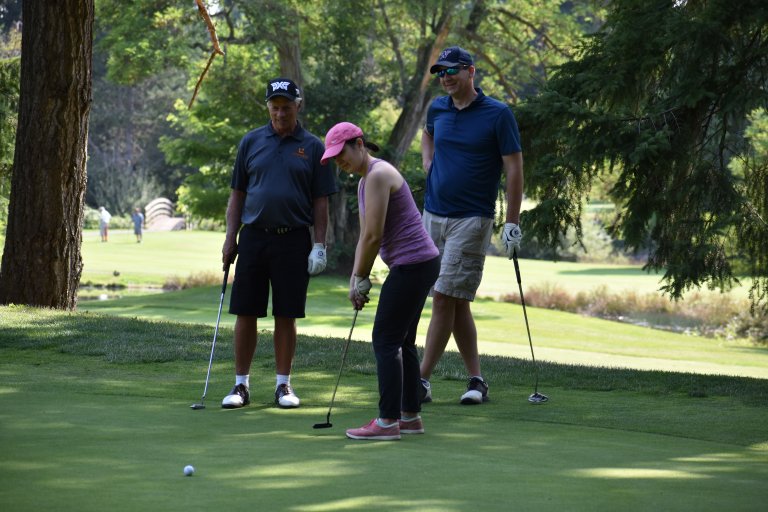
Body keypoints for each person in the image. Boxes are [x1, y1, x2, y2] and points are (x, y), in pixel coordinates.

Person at [220, 77, 338, 410]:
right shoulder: (251, 141)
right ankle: (240, 385)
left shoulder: (313, 147)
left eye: (286, 107)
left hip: (294, 239)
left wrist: (320, 245)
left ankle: (283, 385)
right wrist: (231, 237)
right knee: (246, 312)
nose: (280, 113)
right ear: (268, 107)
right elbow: (237, 194)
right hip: (254, 236)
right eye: (275, 107)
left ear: (298, 106)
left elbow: (320, 202)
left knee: (286, 314)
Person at [320, 122, 440, 440]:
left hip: (413, 265)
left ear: (359, 144)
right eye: (333, 157)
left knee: (385, 340)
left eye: (340, 153)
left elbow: (375, 236)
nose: (338, 161)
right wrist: (354, 279)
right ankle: (410, 416)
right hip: (419, 264)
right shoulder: (365, 182)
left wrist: (362, 276)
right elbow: (366, 236)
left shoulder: (378, 174)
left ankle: (388, 422)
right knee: (402, 341)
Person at [419, 46, 524, 405]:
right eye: (440, 72)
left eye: (451, 71)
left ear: (471, 71)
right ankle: (476, 379)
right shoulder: (438, 108)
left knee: (445, 296)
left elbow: (514, 169)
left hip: (472, 218)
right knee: (457, 301)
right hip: (432, 215)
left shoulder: (497, 114)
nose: (445, 77)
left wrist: (512, 223)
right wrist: (428, 160)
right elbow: (427, 133)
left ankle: (421, 380)